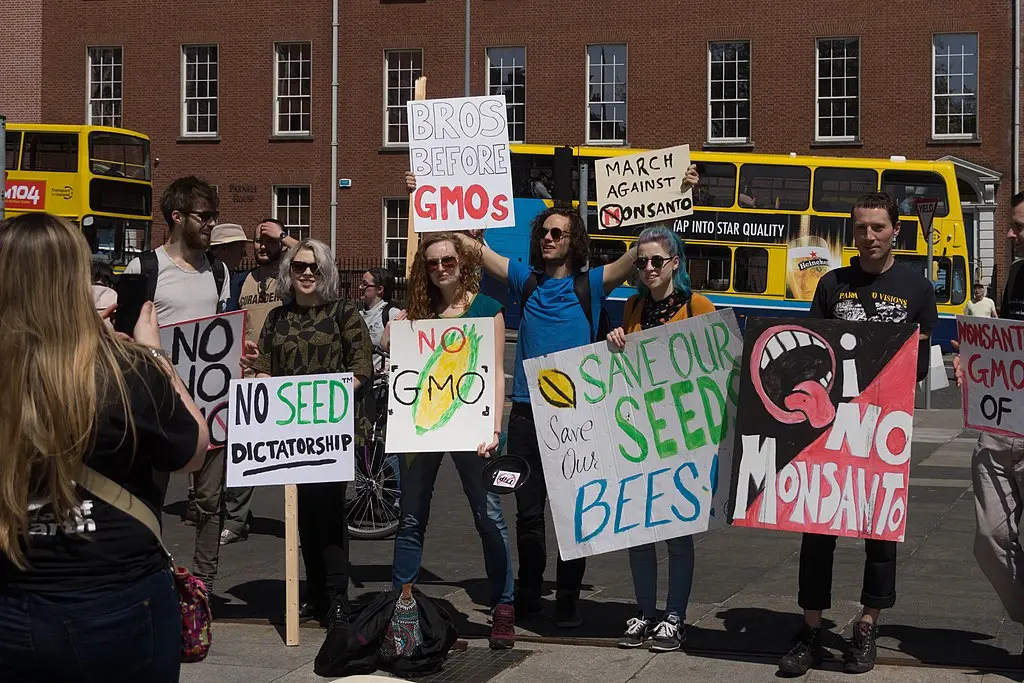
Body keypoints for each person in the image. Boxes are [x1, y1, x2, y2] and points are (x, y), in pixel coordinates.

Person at [409, 162, 702, 628]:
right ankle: (527, 593)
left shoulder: (591, 284)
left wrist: (678, 196)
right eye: (545, 231)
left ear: (574, 241)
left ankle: (566, 599)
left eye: (559, 233)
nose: (549, 238)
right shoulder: (526, 282)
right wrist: (428, 195)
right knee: (528, 513)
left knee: (574, 512)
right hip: (526, 411)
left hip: (577, 414)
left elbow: (646, 249)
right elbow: (474, 247)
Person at [0, 213, 209, 682]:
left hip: (14, 596)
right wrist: (155, 354)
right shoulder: (125, 370)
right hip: (119, 598)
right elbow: (193, 449)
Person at [778, 192, 937, 676]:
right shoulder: (831, 284)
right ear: (853, 232)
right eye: (862, 227)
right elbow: (811, 353)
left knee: (879, 531)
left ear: (896, 233)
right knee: (816, 525)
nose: (869, 236)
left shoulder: (917, 288)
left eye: (879, 228)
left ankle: (867, 625)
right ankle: (810, 628)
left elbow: (922, 363)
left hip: (883, 426)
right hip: (829, 427)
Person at [379, 232, 516, 649]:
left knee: (488, 515)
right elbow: (390, 348)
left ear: (463, 263)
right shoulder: (417, 313)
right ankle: (401, 607)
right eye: (433, 263)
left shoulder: (487, 310)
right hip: (421, 429)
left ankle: (503, 605)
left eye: (448, 261)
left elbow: (493, 370)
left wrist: (493, 430)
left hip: (473, 429)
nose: (440, 269)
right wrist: (394, 329)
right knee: (412, 517)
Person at [245, 238, 373, 629]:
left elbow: (361, 369)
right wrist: (256, 371)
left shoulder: (343, 314)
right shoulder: (277, 319)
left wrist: (322, 402)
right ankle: (315, 592)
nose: (305, 273)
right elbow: (265, 371)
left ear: (326, 273)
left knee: (328, 514)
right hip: (289, 436)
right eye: (299, 266)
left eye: (314, 268)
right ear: (288, 271)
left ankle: (335, 597)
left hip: (330, 433)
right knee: (299, 514)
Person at [605, 226, 715, 653]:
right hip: (642, 432)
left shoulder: (696, 304)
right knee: (638, 529)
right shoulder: (632, 306)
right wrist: (615, 340)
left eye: (656, 261)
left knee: (677, 531)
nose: (648, 268)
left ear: (674, 263)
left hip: (683, 434)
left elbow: (718, 359)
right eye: (641, 261)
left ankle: (675, 616)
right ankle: (644, 612)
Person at [123, 175, 231, 593]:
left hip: (211, 401)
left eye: (214, 216)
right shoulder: (145, 268)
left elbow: (225, 331)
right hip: (157, 401)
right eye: (205, 216)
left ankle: (203, 582)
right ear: (177, 216)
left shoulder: (219, 271)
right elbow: (124, 338)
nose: (211, 224)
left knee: (209, 500)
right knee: (151, 493)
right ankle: (151, 575)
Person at [954, 190, 1024, 663]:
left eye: (1019, 226)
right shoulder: (1015, 273)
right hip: (1002, 419)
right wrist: (972, 360)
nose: (1010, 232)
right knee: (990, 536)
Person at [221, 218, 297, 545]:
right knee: (241, 451)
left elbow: (322, 262)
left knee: (296, 453)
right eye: (257, 241)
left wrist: (283, 239)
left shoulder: (294, 279)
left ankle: (301, 521)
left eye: (269, 241)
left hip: (286, 377)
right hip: (249, 379)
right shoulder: (240, 282)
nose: (262, 247)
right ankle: (236, 521)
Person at [359, 267, 401, 372]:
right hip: (362, 382)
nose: (360, 287)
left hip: (383, 383)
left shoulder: (393, 314)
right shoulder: (357, 315)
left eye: (365, 284)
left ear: (380, 289)